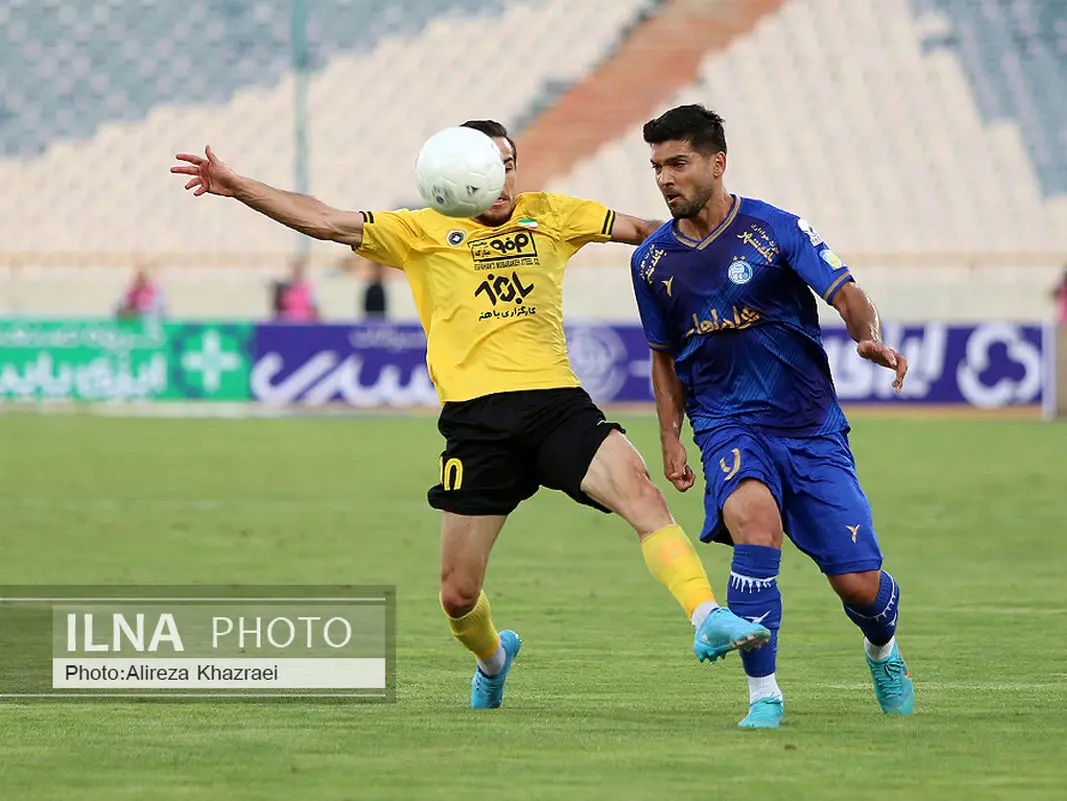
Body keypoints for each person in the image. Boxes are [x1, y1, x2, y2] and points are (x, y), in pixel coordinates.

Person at [171, 119, 768, 710]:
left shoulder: (554, 213)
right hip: (477, 425)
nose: (502, 179)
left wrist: (717, 256)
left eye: (508, 165)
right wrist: (238, 185)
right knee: (457, 595)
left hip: (555, 403)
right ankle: (493, 660)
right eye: (488, 167)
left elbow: (646, 230)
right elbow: (326, 219)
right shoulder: (421, 230)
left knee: (642, 494)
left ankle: (704, 614)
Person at [630, 105, 915, 728]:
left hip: (810, 429)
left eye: (678, 163)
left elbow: (846, 291)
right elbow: (662, 356)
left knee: (860, 586)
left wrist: (866, 336)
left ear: (717, 162)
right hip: (728, 425)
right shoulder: (650, 261)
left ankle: (883, 649)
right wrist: (671, 437)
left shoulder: (774, 228)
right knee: (754, 524)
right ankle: (764, 696)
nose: (665, 179)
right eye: (656, 167)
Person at [274, 258, 320, 322]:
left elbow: (314, 307)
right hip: (288, 323)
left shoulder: (309, 287)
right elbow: (278, 308)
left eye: (299, 268)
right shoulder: (283, 287)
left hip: (305, 323)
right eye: (295, 268)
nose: (297, 270)